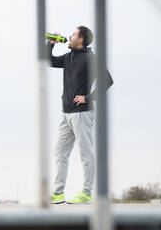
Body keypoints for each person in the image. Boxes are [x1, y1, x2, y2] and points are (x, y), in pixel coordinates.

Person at [48, 26, 113, 204]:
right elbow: (49, 61)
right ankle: (58, 193)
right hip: (66, 113)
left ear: (81, 40)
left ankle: (86, 193)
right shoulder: (69, 57)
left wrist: (88, 97)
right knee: (60, 153)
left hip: (83, 113)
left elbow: (108, 80)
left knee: (85, 154)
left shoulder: (90, 58)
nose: (69, 36)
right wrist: (50, 44)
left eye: (73, 35)